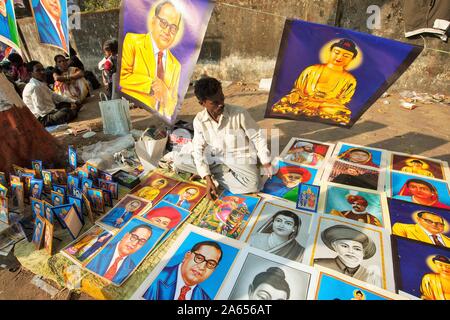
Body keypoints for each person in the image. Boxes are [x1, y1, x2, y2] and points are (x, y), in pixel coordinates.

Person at [271, 39, 358, 125]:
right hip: (305, 99)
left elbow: (344, 99)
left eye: (346, 56)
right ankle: (316, 113)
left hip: (326, 105)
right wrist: (296, 94)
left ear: (352, 59)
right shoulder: (312, 69)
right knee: (285, 99)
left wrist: (319, 103)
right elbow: (298, 88)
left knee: (342, 111)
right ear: (330, 52)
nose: (339, 57)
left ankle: (307, 111)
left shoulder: (350, 79)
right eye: (336, 52)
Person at [120, 0, 183, 119]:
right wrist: (152, 85)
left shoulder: (176, 65)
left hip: (161, 118)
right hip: (137, 114)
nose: (167, 31)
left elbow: (172, 103)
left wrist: (166, 95)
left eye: (173, 28)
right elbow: (122, 77)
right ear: (153, 20)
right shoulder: (132, 41)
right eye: (164, 22)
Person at [143, 241, 222, 300]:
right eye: (199, 258)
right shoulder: (153, 276)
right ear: (187, 256)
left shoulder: (204, 298)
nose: (202, 267)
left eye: (211, 264)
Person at [313, 225, 381, 287]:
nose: (351, 251)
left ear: (363, 253)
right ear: (335, 246)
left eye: (357, 249)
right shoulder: (318, 264)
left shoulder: (371, 277)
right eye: (344, 246)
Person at [86, 224, 153, 284]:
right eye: (134, 237)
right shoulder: (100, 247)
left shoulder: (133, 269)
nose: (134, 243)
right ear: (125, 235)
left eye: (142, 241)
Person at [22, 61, 81, 127]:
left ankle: (71, 111)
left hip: (50, 111)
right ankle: (71, 112)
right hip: (42, 118)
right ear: (31, 74)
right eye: (38, 70)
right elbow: (41, 111)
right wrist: (57, 111)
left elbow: (54, 95)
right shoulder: (34, 87)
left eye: (42, 69)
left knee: (67, 104)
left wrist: (73, 101)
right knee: (65, 111)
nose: (42, 72)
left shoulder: (40, 83)